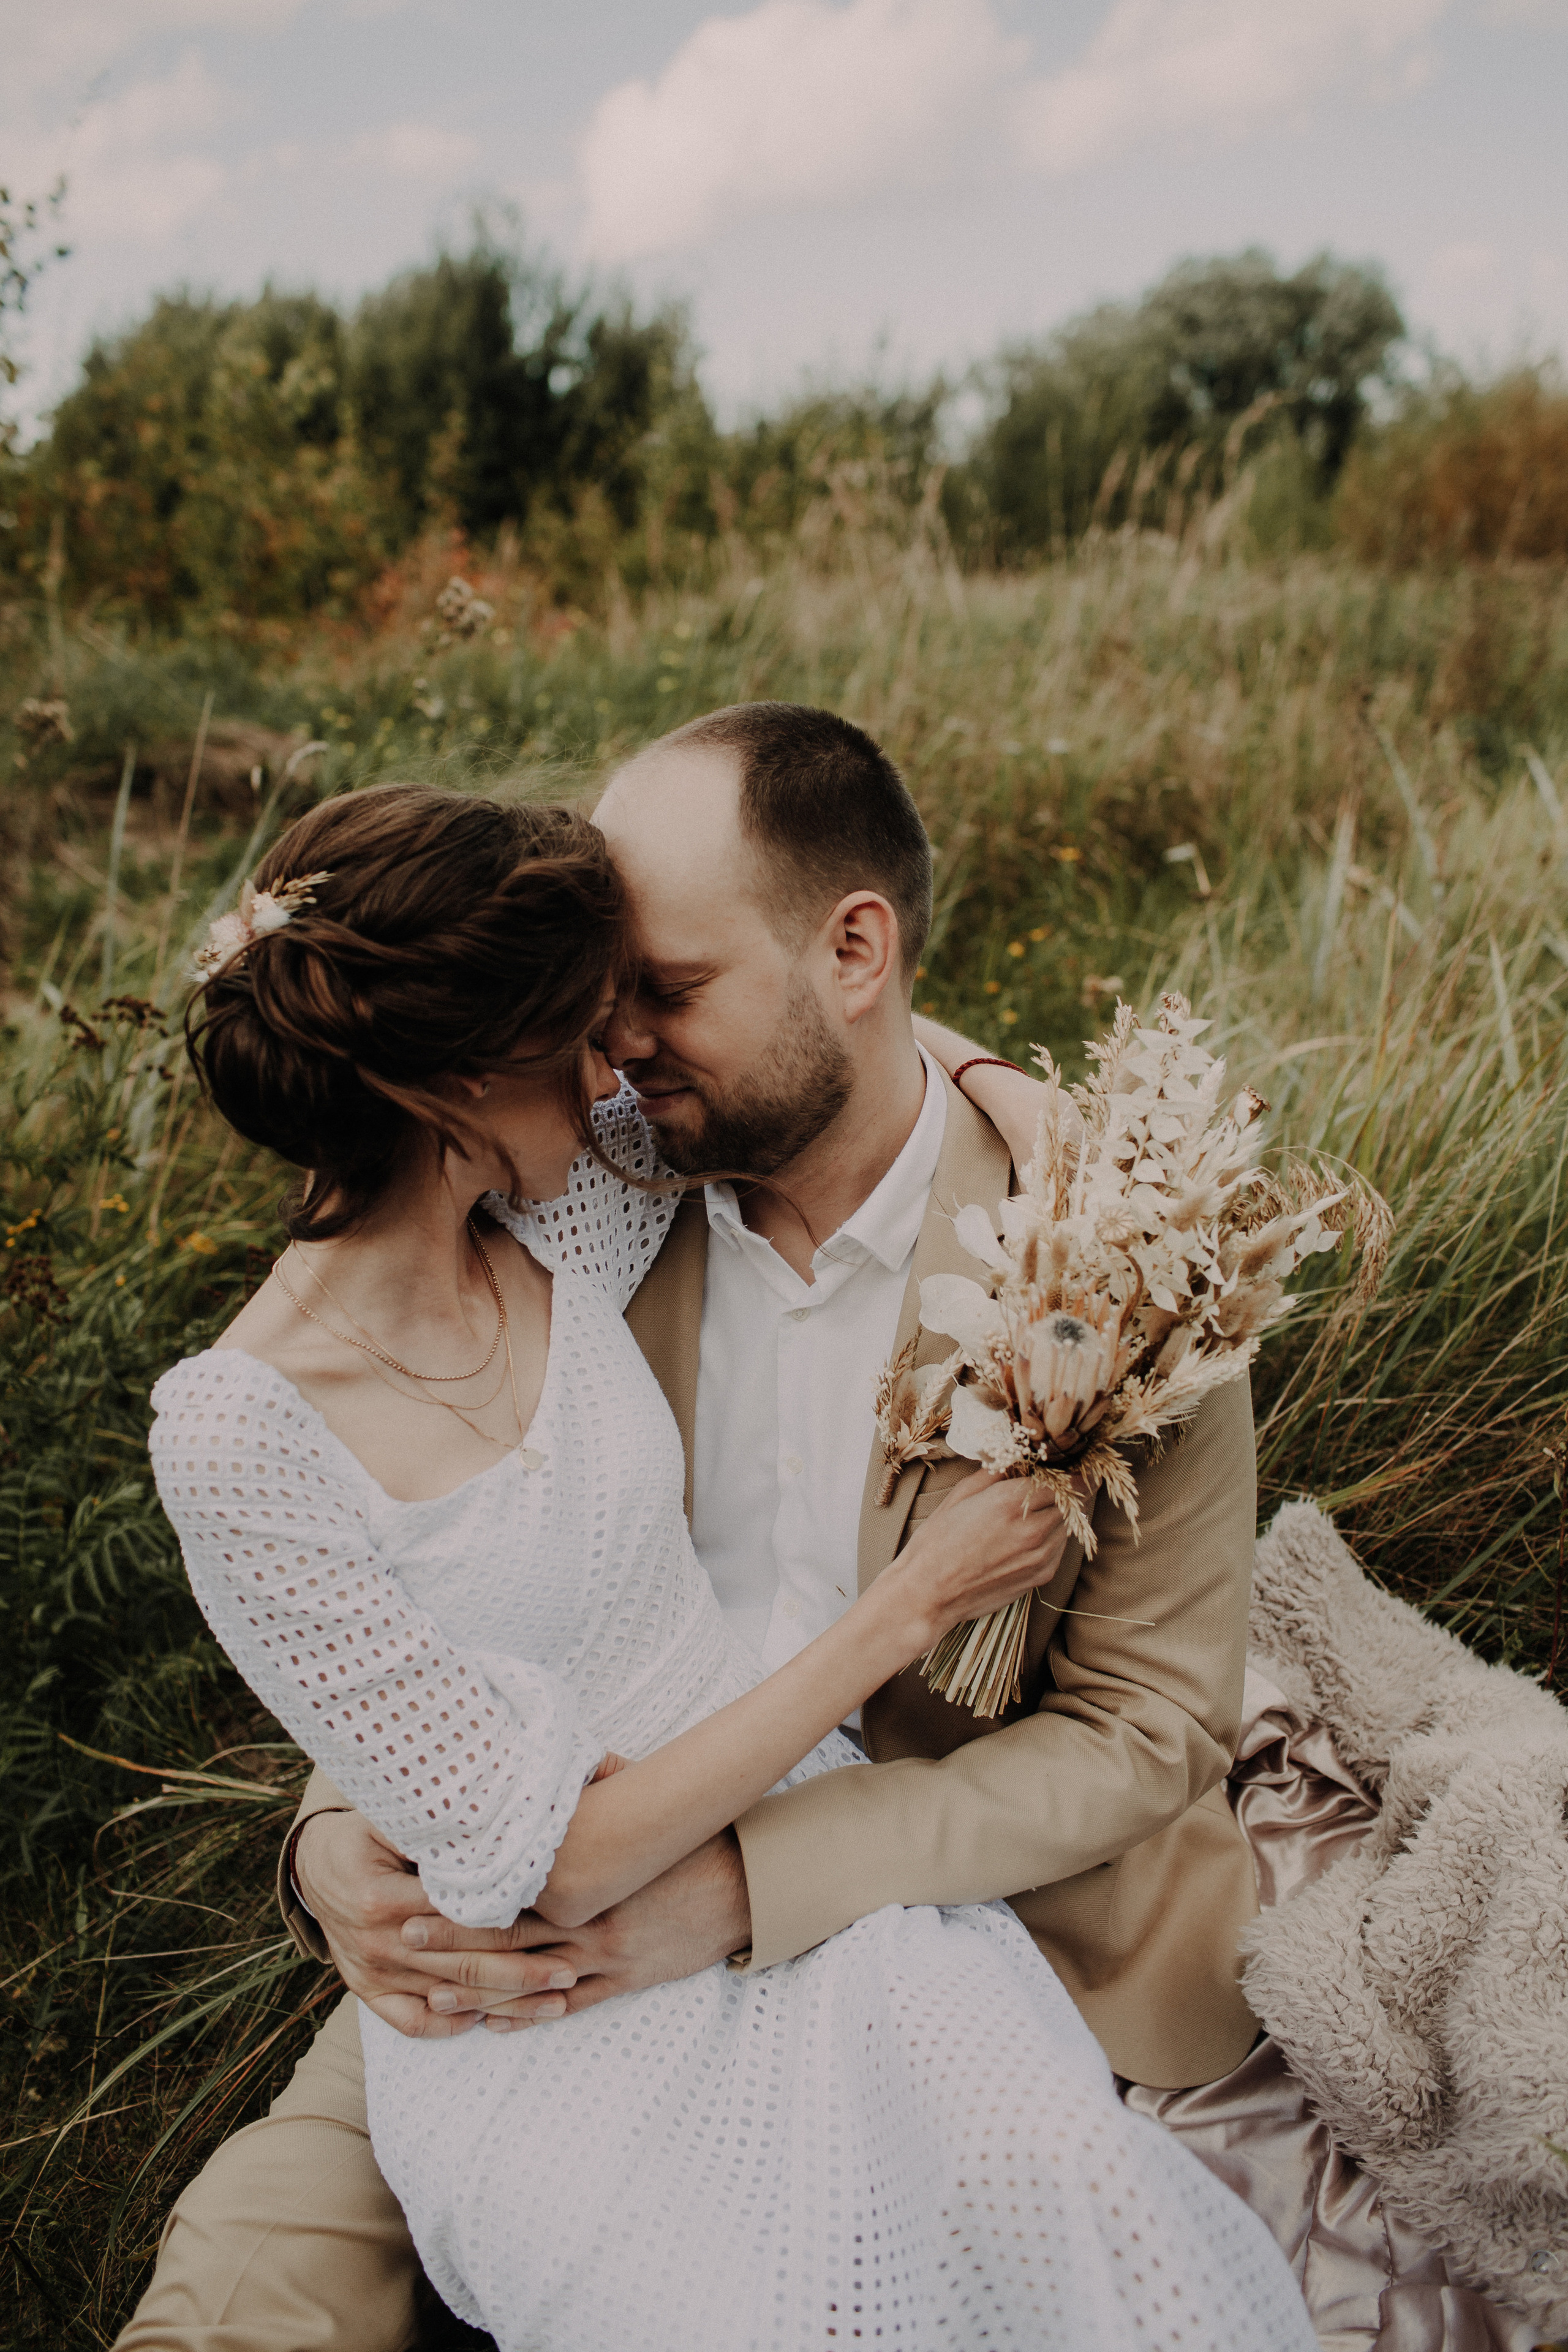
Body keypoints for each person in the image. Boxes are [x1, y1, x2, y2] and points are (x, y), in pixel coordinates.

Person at [121, 712, 1287, 2352]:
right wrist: (325, 1856)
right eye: (589, 1011)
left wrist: (750, 1883)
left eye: (659, 993)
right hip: (527, 1924)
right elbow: (428, 1556)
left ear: (856, 950)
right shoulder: (590, 1195)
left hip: (944, 1893)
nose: (613, 1050)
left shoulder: (1122, 1265)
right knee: (244, 2286)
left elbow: (1147, 1728)